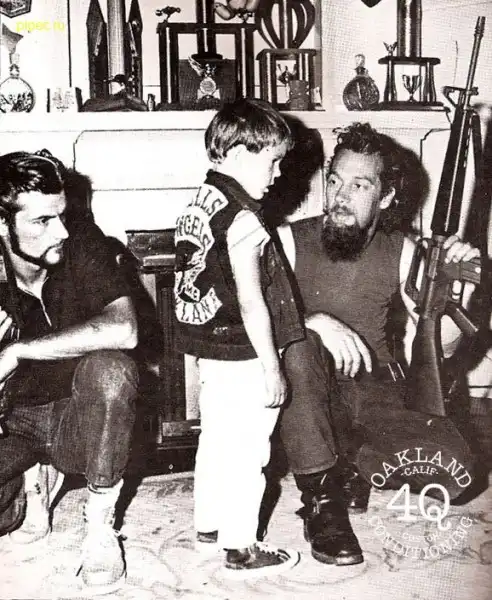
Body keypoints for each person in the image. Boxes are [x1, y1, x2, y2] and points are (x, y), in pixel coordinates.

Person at [276, 122, 479, 566]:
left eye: (359, 185)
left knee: (456, 475)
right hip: (311, 392)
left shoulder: (402, 250)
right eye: (335, 181)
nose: (340, 196)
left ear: (385, 197)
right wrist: (312, 321)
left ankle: (348, 458)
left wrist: (456, 295)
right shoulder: (290, 240)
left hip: (376, 392)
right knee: (300, 347)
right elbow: (248, 318)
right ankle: (322, 502)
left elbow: (438, 351)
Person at [173, 98, 304, 579]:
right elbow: (252, 300)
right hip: (244, 351)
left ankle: (208, 528)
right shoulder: (245, 219)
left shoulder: (199, 202)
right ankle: (241, 546)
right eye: (273, 161)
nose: (277, 173)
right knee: (250, 449)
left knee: (216, 438)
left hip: (210, 348)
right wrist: (272, 366)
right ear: (240, 154)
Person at [0, 150, 139, 594]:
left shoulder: (80, 240)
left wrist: (19, 350)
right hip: (12, 420)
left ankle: (100, 527)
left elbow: (125, 329)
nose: (60, 230)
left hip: (76, 417)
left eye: (60, 215)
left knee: (113, 371)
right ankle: (30, 486)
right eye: (41, 221)